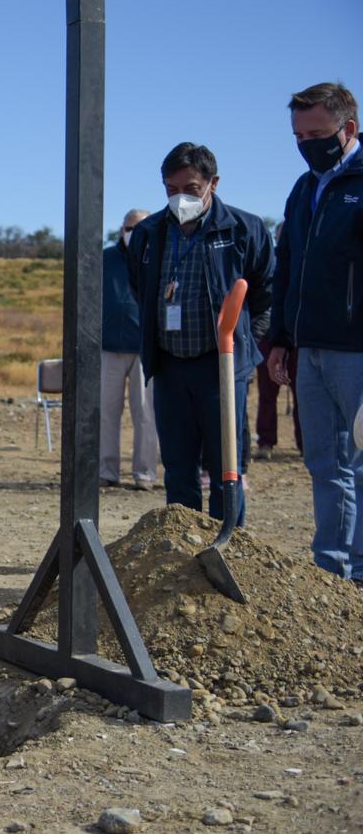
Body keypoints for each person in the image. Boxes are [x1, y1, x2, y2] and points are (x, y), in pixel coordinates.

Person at [127, 143, 273, 524]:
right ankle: (183, 546)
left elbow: (266, 292)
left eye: (190, 189)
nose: (180, 198)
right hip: (170, 365)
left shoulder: (243, 229)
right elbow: (139, 288)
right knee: (178, 466)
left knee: (226, 466)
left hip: (221, 367)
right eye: (170, 189)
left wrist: (246, 341)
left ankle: (228, 547)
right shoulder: (149, 233)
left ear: (213, 183)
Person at [268, 82, 362, 586]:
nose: (307, 145)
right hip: (310, 349)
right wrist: (281, 338)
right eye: (299, 136)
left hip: (357, 352)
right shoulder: (304, 189)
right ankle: (331, 571)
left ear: (347, 129)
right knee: (325, 463)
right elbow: (287, 267)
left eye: (317, 134)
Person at [100, 208, 157, 491]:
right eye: (129, 226)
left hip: (144, 348)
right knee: (106, 411)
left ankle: (145, 473)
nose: (132, 232)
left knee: (145, 413)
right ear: (121, 229)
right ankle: (106, 471)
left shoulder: (156, 256)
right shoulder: (105, 259)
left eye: (139, 227)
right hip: (108, 347)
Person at [254, 224, 301, 460]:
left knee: (302, 394)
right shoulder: (267, 263)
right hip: (268, 338)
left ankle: (304, 443)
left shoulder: (304, 261)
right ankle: (265, 442)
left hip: (299, 340)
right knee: (266, 393)